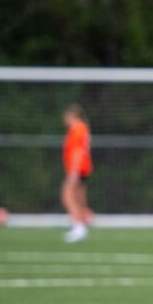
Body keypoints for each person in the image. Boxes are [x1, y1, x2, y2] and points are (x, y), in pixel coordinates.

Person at [61, 104, 93, 243]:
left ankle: (78, 227)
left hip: (78, 169)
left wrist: (73, 171)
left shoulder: (77, 129)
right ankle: (81, 227)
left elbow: (77, 151)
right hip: (84, 168)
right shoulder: (83, 129)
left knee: (67, 196)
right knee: (79, 199)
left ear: (72, 116)